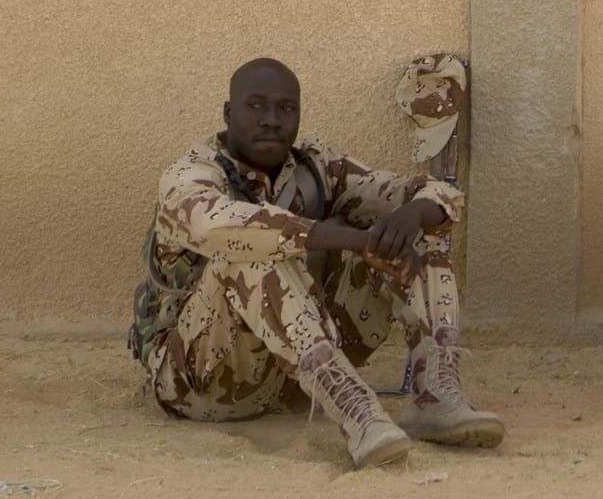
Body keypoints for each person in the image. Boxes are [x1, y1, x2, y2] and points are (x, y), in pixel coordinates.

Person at [129, 57, 504, 468]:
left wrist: (409, 215)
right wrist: (356, 239)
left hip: (293, 384)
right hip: (199, 382)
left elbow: (433, 195)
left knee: (411, 239)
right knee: (252, 250)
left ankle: (437, 396)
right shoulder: (191, 174)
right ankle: (358, 415)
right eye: (256, 106)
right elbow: (220, 223)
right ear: (228, 113)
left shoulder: (316, 167)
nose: (271, 120)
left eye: (286, 109)